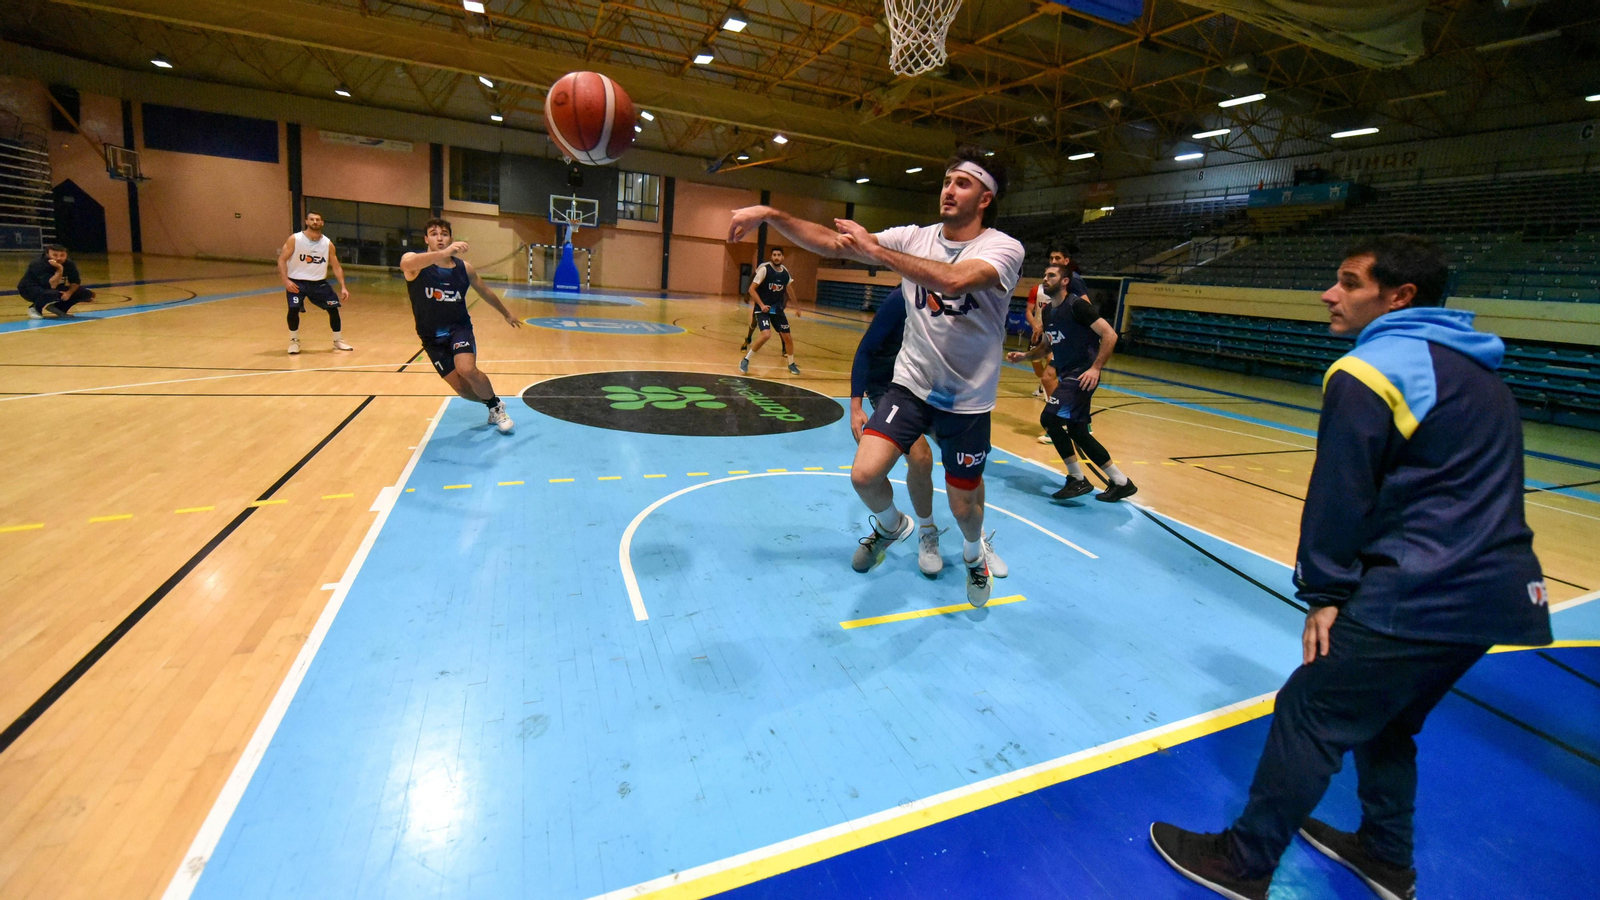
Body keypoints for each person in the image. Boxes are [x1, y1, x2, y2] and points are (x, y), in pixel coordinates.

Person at [1149, 234, 1552, 900]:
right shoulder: (1480, 373)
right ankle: (1386, 856)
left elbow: (1342, 490)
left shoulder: (1371, 370)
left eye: (1347, 282)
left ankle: (1243, 862)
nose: (1328, 294)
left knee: (1310, 709)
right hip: (1503, 591)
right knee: (1386, 719)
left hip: (1421, 589)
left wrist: (1327, 592)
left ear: (1399, 297)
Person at [729, 146, 1021, 607]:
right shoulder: (913, 236)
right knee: (864, 475)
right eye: (946, 180)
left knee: (964, 507)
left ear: (985, 198)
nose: (949, 189)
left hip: (967, 401)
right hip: (912, 386)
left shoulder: (1002, 248)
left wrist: (878, 251)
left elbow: (955, 281)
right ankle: (892, 525)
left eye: (962, 183)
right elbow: (831, 242)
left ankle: (972, 552)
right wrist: (770, 214)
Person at [1008, 263, 1136, 502]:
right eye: (1044, 274)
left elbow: (1110, 335)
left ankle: (1077, 479)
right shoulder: (1047, 311)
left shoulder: (1077, 306)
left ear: (1065, 281)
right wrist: (1026, 356)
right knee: (1078, 431)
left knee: (1049, 418)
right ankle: (1121, 482)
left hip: (1082, 374)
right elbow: (1048, 345)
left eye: (1051, 275)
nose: (1045, 279)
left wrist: (1096, 368)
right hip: (1068, 373)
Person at [850, 287, 946, 575]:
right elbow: (865, 349)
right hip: (891, 387)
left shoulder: (958, 301)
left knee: (960, 464)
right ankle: (897, 525)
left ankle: (972, 543)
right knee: (919, 456)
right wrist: (856, 405)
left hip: (932, 388)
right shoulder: (901, 298)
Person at [400, 217, 521, 435]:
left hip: (459, 328)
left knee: (467, 369)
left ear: (451, 238)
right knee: (463, 391)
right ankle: (494, 403)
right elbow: (406, 264)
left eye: (444, 233)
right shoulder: (414, 263)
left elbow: (485, 291)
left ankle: (496, 409)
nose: (439, 237)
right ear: (426, 238)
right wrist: (443, 254)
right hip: (431, 338)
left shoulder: (464, 269)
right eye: (434, 233)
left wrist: (506, 313)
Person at [276, 212, 352, 354]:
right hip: (297, 282)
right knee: (293, 310)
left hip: (319, 283)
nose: (315, 222)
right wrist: (285, 280)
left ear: (322, 223)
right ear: (306, 221)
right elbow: (281, 259)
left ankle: (338, 340)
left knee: (333, 309)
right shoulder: (295, 239)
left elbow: (336, 266)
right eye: (312, 219)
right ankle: (294, 341)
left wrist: (343, 286)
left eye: (318, 220)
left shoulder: (327, 243)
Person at [739, 247, 800, 375]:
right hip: (763, 309)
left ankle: (791, 363)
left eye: (779, 255)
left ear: (783, 257)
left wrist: (797, 307)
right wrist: (761, 305)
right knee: (766, 335)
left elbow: (790, 289)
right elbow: (752, 289)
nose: (776, 257)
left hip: (777, 309)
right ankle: (746, 360)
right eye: (774, 255)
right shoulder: (764, 270)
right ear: (771, 257)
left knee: (787, 338)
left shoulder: (785, 273)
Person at [1023, 246, 1072, 400]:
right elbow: (1028, 311)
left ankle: (1052, 397)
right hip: (1038, 332)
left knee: (1051, 367)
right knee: (1037, 365)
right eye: (1051, 259)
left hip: (1054, 333)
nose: (1053, 261)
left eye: (1057, 258)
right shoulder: (1036, 290)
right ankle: (1043, 384)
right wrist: (1035, 326)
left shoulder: (1068, 288)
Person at [18, 244, 95, 319]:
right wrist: (59, 269)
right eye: (55, 255)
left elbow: (75, 281)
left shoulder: (69, 264)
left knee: (85, 293)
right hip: (29, 289)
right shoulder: (38, 263)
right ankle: (35, 308)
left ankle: (58, 308)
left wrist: (69, 293)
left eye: (62, 255)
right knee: (52, 293)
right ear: (47, 254)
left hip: (52, 289)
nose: (59, 258)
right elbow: (52, 285)